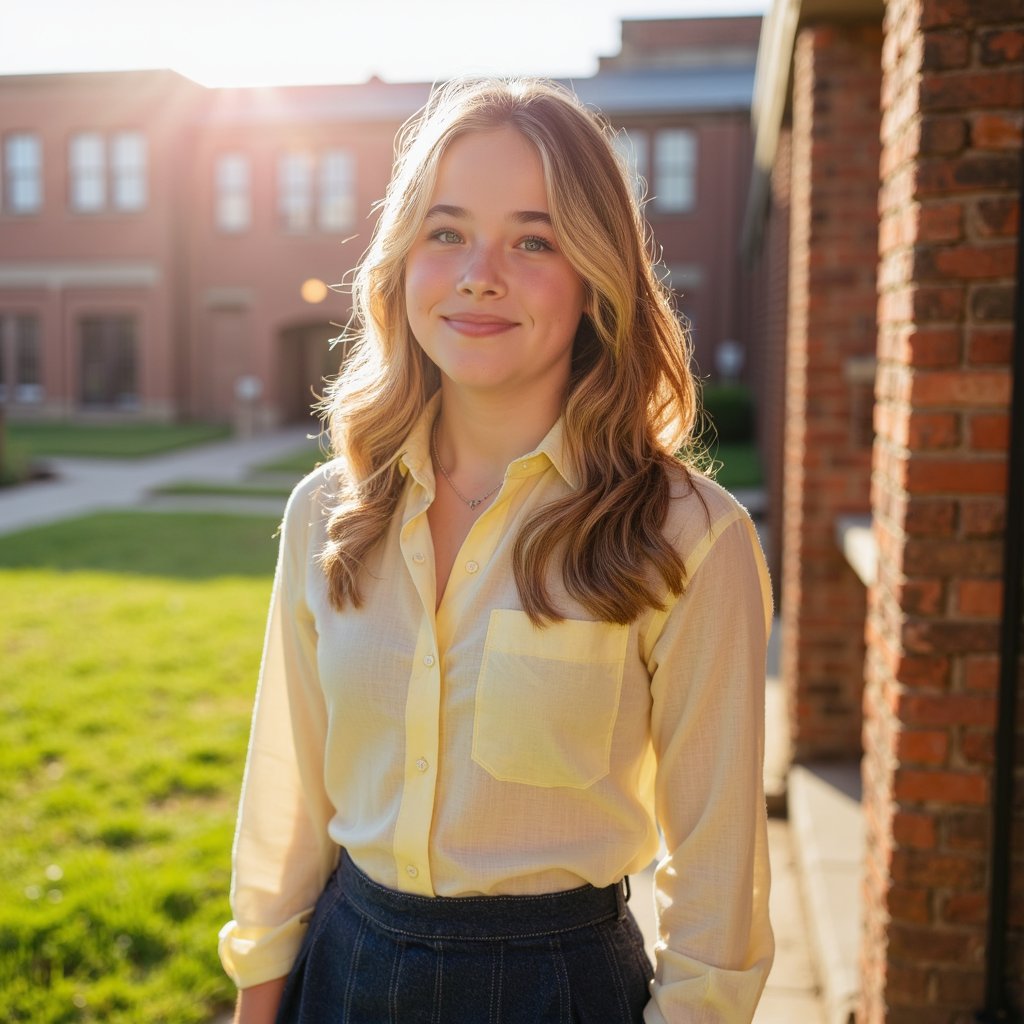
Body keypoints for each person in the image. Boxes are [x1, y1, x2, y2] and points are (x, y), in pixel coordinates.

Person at [219, 77, 774, 1024]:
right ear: (400, 262)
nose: (480, 273)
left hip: (558, 990)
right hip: (341, 973)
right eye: (446, 232)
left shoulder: (689, 536)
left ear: (597, 275)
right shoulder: (328, 513)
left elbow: (719, 878)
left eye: (534, 239)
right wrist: (259, 1001)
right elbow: (288, 806)